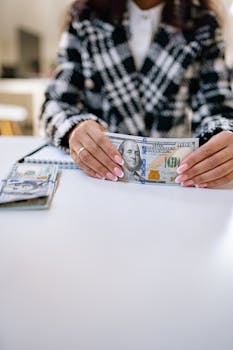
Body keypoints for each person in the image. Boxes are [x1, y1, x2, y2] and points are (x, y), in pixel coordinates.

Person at [41, 0, 233, 188]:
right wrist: (75, 130)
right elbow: (56, 104)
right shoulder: (86, 17)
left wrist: (224, 136)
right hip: (100, 182)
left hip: (174, 182)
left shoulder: (202, 22)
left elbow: (216, 106)